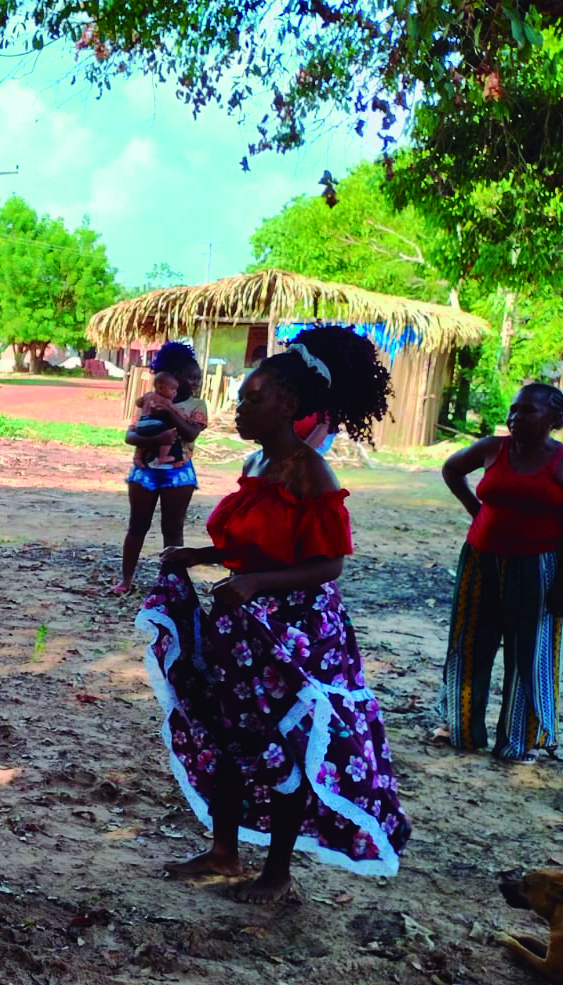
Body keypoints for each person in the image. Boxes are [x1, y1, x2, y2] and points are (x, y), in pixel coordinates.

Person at [138, 326, 410, 903]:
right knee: (234, 734)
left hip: (295, 636)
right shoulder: (259, 464)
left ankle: (278, 874)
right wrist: (202, 555)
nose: (239, 408)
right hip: (244, 626)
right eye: (241, 399)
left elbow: (329, 564)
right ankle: (224, 852)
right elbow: (255, 543)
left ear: (288, 405)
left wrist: (257, 582)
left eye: (252, 399)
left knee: (284, 740)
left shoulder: (311, 473)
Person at [436, 383, 563, 762]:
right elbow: (451, 469)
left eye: (528, 411)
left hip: (537, 563)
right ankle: (461, 730)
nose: (516, 417)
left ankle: (517, 741)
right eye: (513, 409)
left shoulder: (559, 461)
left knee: (529, 651)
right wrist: (477, 512)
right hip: (480, 558)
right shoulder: (494, 448)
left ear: (555, 420)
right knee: (469, 642)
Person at [114, 343, 208, 595]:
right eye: (191, 377)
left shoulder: (197, 406)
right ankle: (126, 580)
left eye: (198, 378)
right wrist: (157, 439)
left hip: (178, 473)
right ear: (174, 376)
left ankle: (172, 585)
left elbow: (191, 434)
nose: (196, 382)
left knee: (173, 530)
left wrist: (168, 409)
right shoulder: (148, 400)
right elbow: (130, 436)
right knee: (137, 526)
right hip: (144, 472)